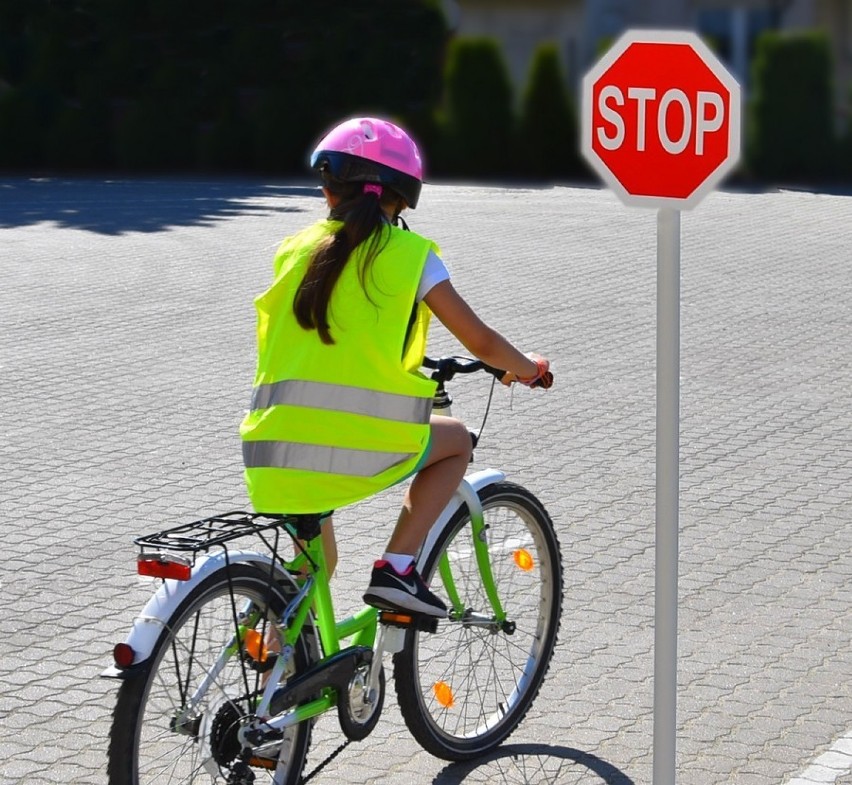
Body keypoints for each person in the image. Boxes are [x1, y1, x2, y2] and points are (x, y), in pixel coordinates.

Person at [240, 117, 552, 618]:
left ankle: (272, 667)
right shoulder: (410, 255)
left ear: (328, 190)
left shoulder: (293, 249)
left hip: (270, 448)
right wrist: (528, 369)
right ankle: (397, 568)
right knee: (457, 442)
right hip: (352, 444)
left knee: (313, 568)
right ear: (401, 196)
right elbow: (481, 341)